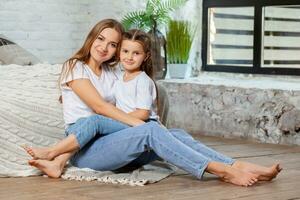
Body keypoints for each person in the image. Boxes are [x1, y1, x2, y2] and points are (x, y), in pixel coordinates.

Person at [24, 23, 282, 187]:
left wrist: (146, 120)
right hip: (85, 148)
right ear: (91, 38)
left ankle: (236, 164)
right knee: (148, 129)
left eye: (113, 44)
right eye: (101, 39)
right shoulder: (74, 66)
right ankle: (223, 172)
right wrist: (142, 123)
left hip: (112, 141)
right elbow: (100, 109)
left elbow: (127, 102)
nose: (105, 47)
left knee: (176, 134)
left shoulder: (115, 73)